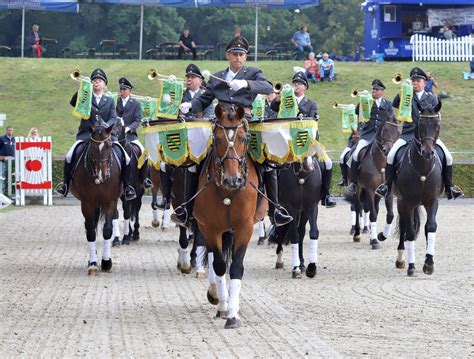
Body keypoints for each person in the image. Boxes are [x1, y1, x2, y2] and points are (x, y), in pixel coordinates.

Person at [179, 36, 293, 228]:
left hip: (244, 122)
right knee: (196, 159)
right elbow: (205, 99)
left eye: (241, 54)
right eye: (234, 54)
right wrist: (190, 105)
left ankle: (275, 210)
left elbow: (268, 87)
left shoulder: (254, 72)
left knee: (266, 160)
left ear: (245, 57)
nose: (238, 57)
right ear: (228, 55)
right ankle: (187, 209)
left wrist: (247, 84)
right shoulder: (217, 76)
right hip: (221, 122)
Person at [375, 67, 463, 200]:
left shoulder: (431, 98)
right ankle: (387, 186)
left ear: (424, 83)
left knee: (448, 157)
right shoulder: (406, 95)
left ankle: (450, 187)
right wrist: (403, 90)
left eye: (417, 81)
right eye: (413, 81)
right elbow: (395, 104)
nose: (415, 83)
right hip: (407, 134)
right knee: (391, 156)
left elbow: (436, 117)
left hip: (428, 137)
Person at [57, 68, 136, 201]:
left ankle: (127, 187)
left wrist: (106, 125)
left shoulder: (110, 100)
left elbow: (113, 117)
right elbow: (73, 103)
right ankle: (65, 184)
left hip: (106, 136)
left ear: (104, 84)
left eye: (99, 80)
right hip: (87, 135)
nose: (96, 82)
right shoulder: (85, 97)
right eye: (94, 80)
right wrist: (82, 89)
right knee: (69, 155)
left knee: (126, 158)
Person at [270, 72, 336, 208]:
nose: (296, 86)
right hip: (287, 142)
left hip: (306, 142)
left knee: (328, 163)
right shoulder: (285, 100)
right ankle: (274, 196)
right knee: (272, 165)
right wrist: (280, 96)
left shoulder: (311, 104)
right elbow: (273, 107)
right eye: (294, 83)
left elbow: (313, 122)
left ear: (305, 87)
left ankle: (326, 195)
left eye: (299, 84)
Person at [156, 63, 214, 211]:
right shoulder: (179, 96)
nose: (189, 79)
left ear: (200, 80)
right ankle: (166, 197)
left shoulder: (205, 97)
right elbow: (166, 116)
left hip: (199, 142)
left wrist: (191, 117)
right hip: (180, 141)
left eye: (193, 77)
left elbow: (209, 118)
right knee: (164, 165)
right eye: (187, 77)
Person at [347, 79, 394, 194]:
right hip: (367, 135)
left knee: (393, 156)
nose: (374, 91)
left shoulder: (387, 104)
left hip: (383, 138)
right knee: (356, 154)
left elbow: (392, 120)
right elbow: (357, 114)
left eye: (377, 89)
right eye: (373, 89)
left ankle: (392, 182)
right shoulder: (366, 102)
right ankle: (353, 182)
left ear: (382, 92)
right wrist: (363, 100)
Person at [116, 77, 153, 190]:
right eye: (121, 89)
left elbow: (137, 120)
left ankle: (144, 178)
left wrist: (128, 128)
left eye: (124, 89)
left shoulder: (136, 104)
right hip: (116, 135)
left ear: (129, 90)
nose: (121, 91)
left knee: (143, 153)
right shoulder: (115, 102)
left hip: (130, 136)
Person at [0, 126, 15, 193]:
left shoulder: (15, 139)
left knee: (12, 174)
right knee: (2, 175)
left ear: (13, 131)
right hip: (3, 160)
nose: (10, 131)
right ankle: (2, 190)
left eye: (11, 130)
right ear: (6, 131)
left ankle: (11, 190)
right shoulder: (2, 138)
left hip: (13, 161)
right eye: (9, 130)